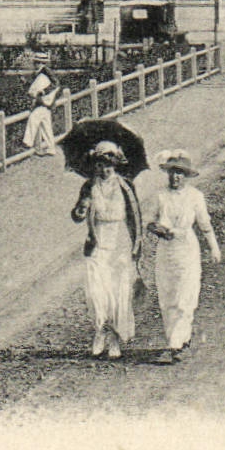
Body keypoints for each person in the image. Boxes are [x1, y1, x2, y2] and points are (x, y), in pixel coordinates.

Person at [146, 149, 222, 365]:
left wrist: (214, 248)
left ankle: (174, 345)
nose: (175, 177)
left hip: (187, 248)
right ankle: (180, 339)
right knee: (168, 296)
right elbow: (150, 222)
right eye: (172, 172)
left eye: (180, 173)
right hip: (166, 251)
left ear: (187, 175)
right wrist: (158, 229)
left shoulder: (195, 197)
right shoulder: (160, 197)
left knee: (184, 296)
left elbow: (205, 225)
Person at [71, 141, 143, 359]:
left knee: (117, 290)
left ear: (116, 164)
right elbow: (76, 215)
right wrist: (81, 209)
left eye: (108, 164)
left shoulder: (125, 186)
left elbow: (135, 217)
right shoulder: (89, 186)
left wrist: (137, 245)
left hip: (120, 239)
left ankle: (114, 338)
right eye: (100, 165)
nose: (104, 169)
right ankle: (100, 330)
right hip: (98, 239)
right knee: (96, 290)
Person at [22, 70, 62, 157]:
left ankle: (27, 142)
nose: (36, 65)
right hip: (45, 104)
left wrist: (42, 94)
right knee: (46, 127)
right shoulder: (39, 75)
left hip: (43, 103)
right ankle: (51, 148)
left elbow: (55, 85)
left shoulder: (45, 75)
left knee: (33, 118)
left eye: (38, 62)